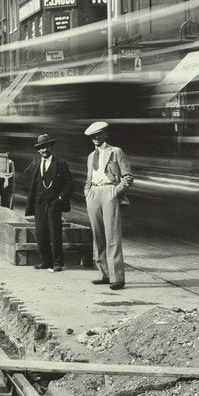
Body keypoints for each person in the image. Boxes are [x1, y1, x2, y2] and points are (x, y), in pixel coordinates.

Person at [83, 120, 133, 291]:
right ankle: (104, 274)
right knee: (97, 236)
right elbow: (89, 178)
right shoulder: (91, 156)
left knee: (112, 235)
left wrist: (115, 191)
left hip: (109, 192)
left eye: (98, 134)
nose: (95, 138)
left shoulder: (116, 151)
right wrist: (87, 191)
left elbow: (128, 177)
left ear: (105, 134)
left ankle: (117, 278)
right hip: (93, 194)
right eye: (92, 136)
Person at [24, 133, 74, 272]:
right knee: (40, 234)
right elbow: (34, 186)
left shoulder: (60, 164)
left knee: (55, 234)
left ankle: (58, 263)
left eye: (47, 147)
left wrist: (60, 199)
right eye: (41, 148)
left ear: (51, 147)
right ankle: (46, 261)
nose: (44, 150)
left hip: (54, 203)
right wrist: (32, 205)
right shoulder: (36, 165)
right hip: (39, 204)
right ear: (38, 150)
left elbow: (70, 184)